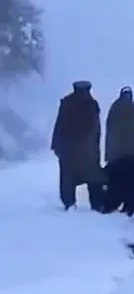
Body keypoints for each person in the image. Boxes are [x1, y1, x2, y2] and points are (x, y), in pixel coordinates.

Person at [50, 81, 104, 211]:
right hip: (87, 149)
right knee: (93, 176)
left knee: (68, 177)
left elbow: (60, 124)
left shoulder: (67, 103)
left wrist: (56, 144)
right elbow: (96, 129)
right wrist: (96, 147)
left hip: (69, 149)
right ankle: (97, 204)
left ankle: (69, 203)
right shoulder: (92, 104)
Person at [102, 86, 134, 216]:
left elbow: (110, 131)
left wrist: (109, 153)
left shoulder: (114, 108)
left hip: (117, 154)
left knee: (118, 181)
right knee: (133, 181)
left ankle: (113, 204)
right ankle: (129, 204)